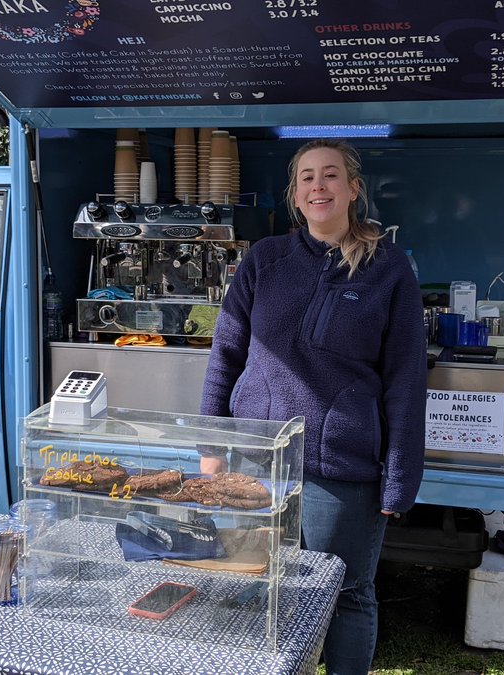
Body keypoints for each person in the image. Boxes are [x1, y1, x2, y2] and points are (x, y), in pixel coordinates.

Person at [199, 139, 427, 674]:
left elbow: (406, 380)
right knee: (253, 582)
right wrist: (212, 445)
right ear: (295, 194)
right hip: (256, 462)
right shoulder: (265, 259)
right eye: (307, 177)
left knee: (345, 593)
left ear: (353, 189)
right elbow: (225, 354)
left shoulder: (388, 269)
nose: (318, 186)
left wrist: (399, 478)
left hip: (340, 467)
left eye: (330, 175)